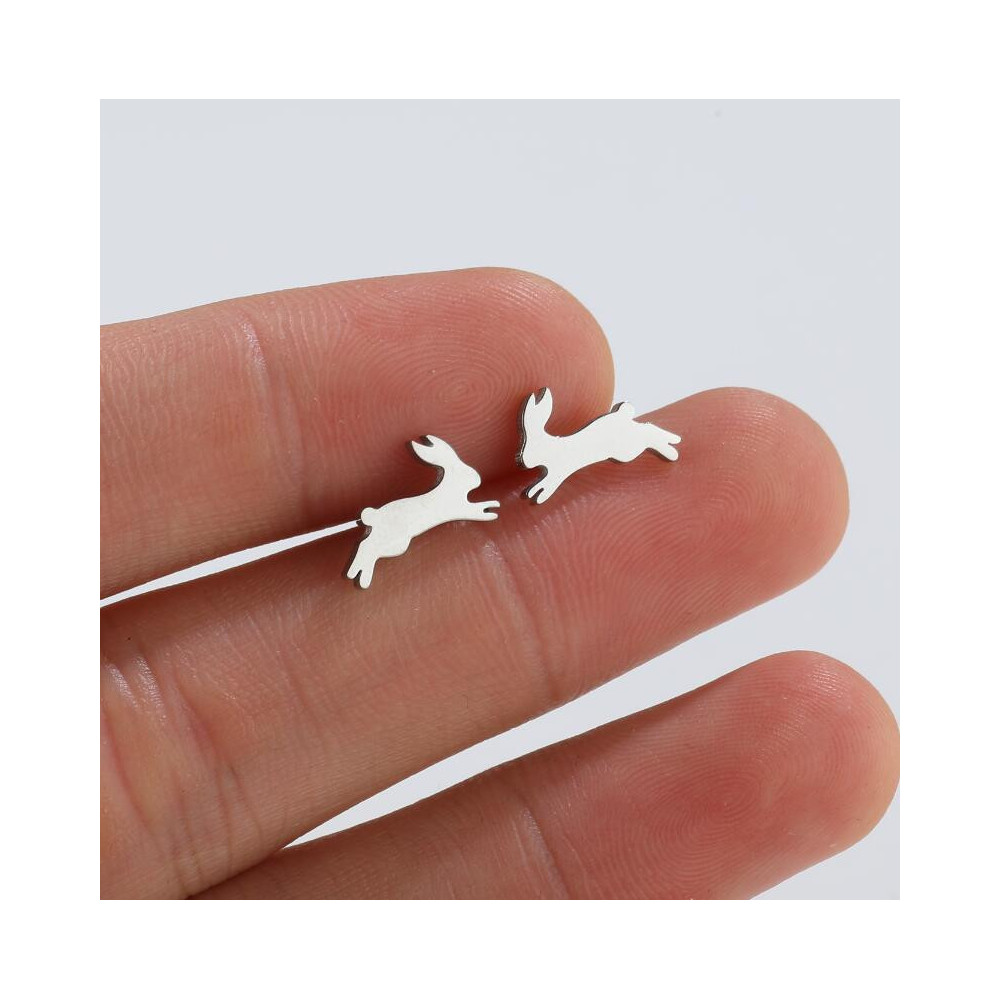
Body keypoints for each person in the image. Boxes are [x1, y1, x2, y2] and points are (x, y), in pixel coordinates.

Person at [100, 268, 899, 899]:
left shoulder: (520, 470)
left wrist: (506, 481)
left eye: (533, 446)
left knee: (594, 455)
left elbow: (500, 485)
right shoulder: (479, 484)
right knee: (386, 543)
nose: (528, 455)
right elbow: (491, 488)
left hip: (443, 505)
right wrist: (492, 485)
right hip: (416, 517)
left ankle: (639, 445)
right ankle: (375, 553)